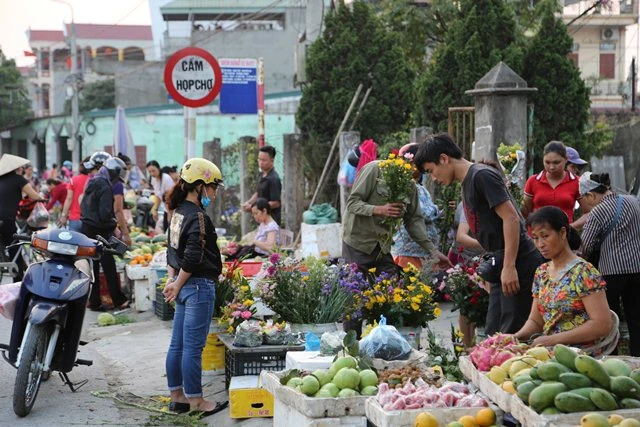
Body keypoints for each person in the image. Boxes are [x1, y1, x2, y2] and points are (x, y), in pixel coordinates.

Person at [415, 133, 544, 335]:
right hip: (500, 260)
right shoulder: (468, 181)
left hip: (519, 261)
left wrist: (509, 267)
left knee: (512, 334)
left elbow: (511, 218)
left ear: (443, 158)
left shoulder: (481, 176)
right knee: (494, 332)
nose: (434, 178)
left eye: (431, 171)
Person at [162, 157, 227, 416]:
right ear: (199, 186)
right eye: (212, 187)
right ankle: (197, 402)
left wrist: (172, 280)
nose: (213, 193)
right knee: (192, 348)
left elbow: (171, 251)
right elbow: (192, 256)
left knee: (177, 345)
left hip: (183, 284)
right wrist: (176, 284)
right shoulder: (198, 216)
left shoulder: (177, 213)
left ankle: (177, 397)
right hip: (197, 286)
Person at [343, 146, 451, 277]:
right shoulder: (375, 169)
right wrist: (379, 209)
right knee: (356, 288)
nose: (422, 173)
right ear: (410, 161)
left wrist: (434, 252)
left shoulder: (410, 186)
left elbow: (414, 222)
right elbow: (352, 203)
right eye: (422, 168)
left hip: (383, 247)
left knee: (391, 287)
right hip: (358, 244)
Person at [514, 206, 612, 350]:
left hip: (581, 356)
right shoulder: (542, 273)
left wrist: (553, 340)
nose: (540, 244)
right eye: (535, 238)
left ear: (563, 232)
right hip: (549, 352)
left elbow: (602, 324)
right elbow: (535, 321)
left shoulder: (583, 272)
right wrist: (515, 337)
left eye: (545, 236)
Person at [578, 172, 640, 356]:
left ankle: (611, 357)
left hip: (612, 272)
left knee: (609, 320)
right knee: (636, 318)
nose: (586, 205)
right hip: (637, 268)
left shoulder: (598, 211)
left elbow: (585, 247)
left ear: (591, 194)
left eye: (584, 199)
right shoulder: (633, 201)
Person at [81, 157, 130, 311]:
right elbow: (104, 213)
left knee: (93, 266)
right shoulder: (105, 186)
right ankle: (118, 300)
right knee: (109, 265)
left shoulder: (94, 180)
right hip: (99, 230)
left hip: (88, 227)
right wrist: (114, 226)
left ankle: (94, 301)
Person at [391, 143, 441, 269]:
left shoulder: (419, 187)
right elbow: (420, 212)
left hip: (422, 253)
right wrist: (435, 210)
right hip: (409, 253)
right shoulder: (404, 186)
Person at [0, 154, 45, 279]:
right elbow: (34, 196)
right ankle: (18, 279)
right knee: (14, 246)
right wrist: (42, 198)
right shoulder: (18, 179)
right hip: (7, 219)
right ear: (16, 168)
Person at [522, 141, 584, 223]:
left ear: (565, 160)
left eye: (556, 162)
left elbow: (588, 213)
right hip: (536, 234)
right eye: (547, 162)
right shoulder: (533, 181)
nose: (551, 167)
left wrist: (571, 228)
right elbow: (525, 213)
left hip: (564, 234)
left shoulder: (577, 182)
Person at [242, 145, 282, 225]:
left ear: (272, 161)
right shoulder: (261, 175)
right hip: (261, 221)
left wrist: (255, 208)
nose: (260, 162)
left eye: (264, 160)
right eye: (259, 159)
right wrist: (249, 203)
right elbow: (258, 192)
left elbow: (276, 203)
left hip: (271, 221)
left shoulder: (274, 179)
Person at [58, 156, 93, 232]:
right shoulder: (95, 180)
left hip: (74, 218)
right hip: (90, 220)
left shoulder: (74, 179)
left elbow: (69, 199)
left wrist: (64, 216)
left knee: (73, 242)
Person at [147, 160, 174, 230]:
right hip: (166, 208)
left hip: (172, 208)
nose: (152, 173)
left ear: (158, 168)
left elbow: (171, 197)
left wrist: (170, 212)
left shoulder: (166, 178)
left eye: (153, 171)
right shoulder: (154, 180)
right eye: (150, 172)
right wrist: (155, 209)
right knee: (165, 229)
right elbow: (158, 196)